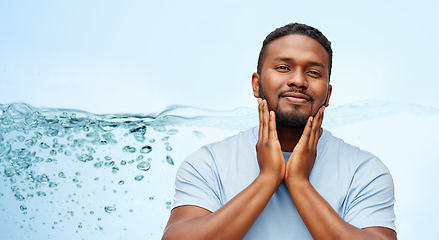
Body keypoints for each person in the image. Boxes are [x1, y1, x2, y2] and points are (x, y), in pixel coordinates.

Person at [162, 23, 397, 240]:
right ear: (256, 84)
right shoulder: (208, 162)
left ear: (328, 93)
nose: (298, 80)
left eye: (314, 72)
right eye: (283, 68)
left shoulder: (364, 170)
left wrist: (299, 182)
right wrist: (268, 178)